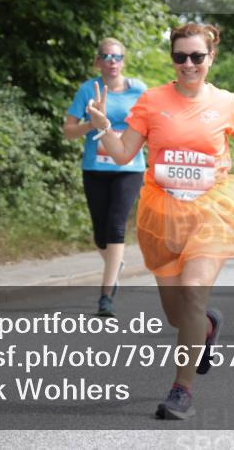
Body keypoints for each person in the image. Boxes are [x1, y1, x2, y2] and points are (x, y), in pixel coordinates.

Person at [87, 23, 234, 420]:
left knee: (194, 294)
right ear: (173, 59)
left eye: (197, 56)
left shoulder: (226, 102)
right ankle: (206, 327)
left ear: (211, 57)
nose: (189, 64)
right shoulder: (152, 100)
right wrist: (104, 127)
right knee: (178, 316)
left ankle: (182, 390)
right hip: (163, 213)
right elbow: (124, 153)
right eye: (180, 56)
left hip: (211, 211)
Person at [64, 38, 146, 317]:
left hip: (129, 168)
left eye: (117, 56)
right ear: (98, 61)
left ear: (124, 61)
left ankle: (105, 297)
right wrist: (93, 123)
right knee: (100, 234)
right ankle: (115, 262)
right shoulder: (88, 90)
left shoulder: (139, 90)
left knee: (115, 226)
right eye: (107, 56)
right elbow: (68, 131)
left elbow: (151, 125)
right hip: (95, 168)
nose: (112, 61)